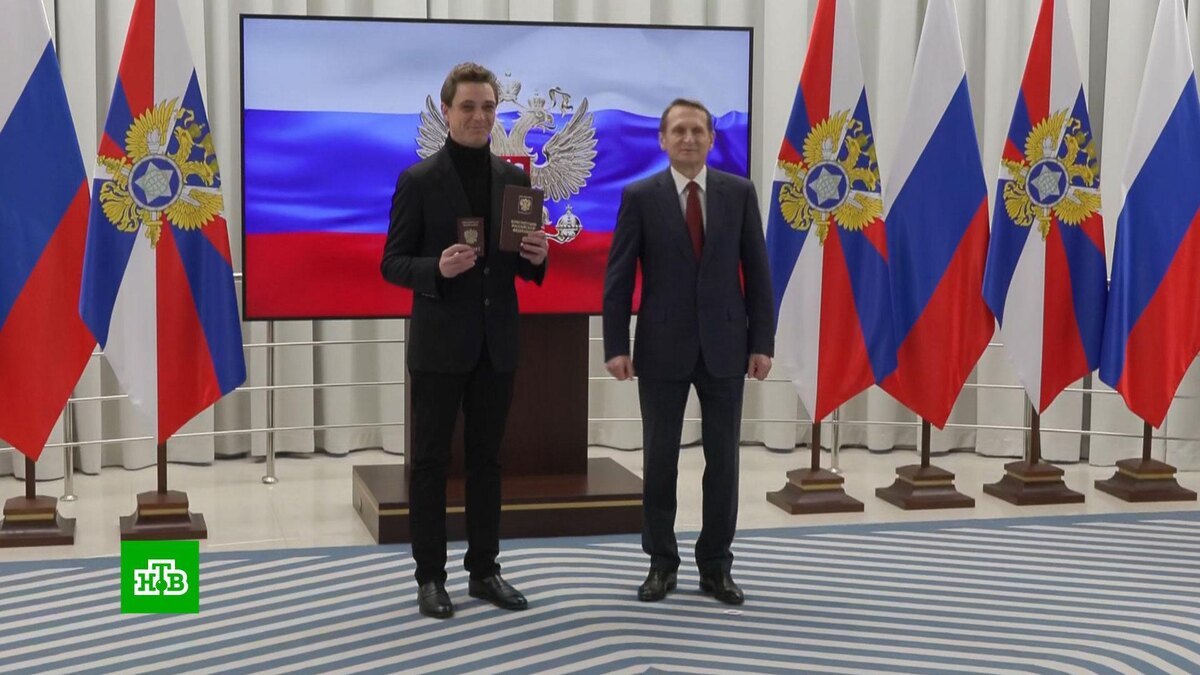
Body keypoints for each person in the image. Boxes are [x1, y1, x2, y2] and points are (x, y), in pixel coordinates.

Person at [381, 62, 549, 619]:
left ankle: (484, 571)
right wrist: (436, 268)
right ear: (447, 112)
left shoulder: (516, 181)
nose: (479, 116)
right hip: (438, 346)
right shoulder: (419, 180)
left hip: (496, 345)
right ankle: (430, 577)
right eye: (468, 107)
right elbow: (392, 263)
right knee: (430, 464)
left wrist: (538, 258)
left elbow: (519, 266)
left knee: (487, 463)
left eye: (488, 107)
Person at [602, 98, 774, 605]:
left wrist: (762, 342)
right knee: (660, 462)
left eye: (698, 130)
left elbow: (758, 273)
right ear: (662, 139)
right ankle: (661, 563)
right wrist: (616, 345)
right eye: (678, 130)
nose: (689, 138)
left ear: (712, 139)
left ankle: (716, 566)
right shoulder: (640, 196)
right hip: (660, 347)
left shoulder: (739, 193)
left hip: (726, 347)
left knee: (724, 463)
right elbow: (618, 279)